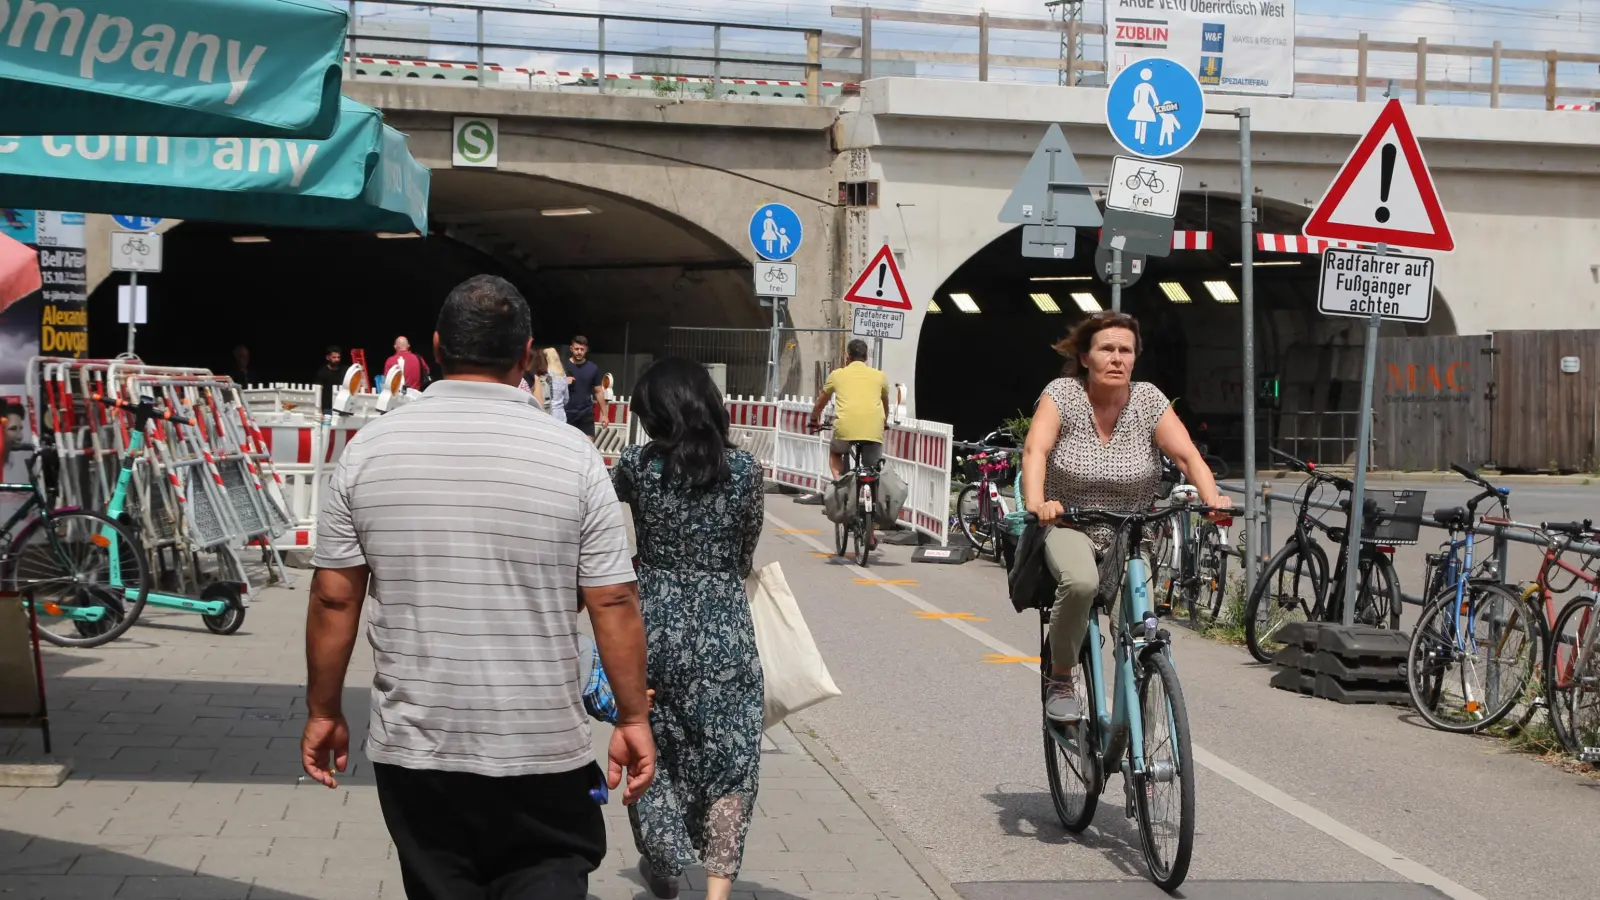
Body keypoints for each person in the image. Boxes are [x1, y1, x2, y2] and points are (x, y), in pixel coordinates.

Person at [300, 274, 656, 900]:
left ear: (436, 348)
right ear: (527, 355)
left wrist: (324, 711)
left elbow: (335, 597)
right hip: (543, 745)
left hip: (419, 747)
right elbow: (613, 600)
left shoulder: (369, 452)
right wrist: (632, 717)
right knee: (548, 875)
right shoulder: (573, 457)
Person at [1021, 312, 1227, 724]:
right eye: (1107, 349)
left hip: (1131, 532)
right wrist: (1038, 502)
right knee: (1080, 583)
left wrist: (1212, 497)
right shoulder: (1063, 394)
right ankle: (1061, 677)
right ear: (1084, 357)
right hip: (1070, 522)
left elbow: (1187, 456)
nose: (1117, 358)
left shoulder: (1148, 400)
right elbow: (1036, 451)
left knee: (1140, 630)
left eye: (1125, 350)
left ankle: (1142, 748)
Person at [611, 357, 764, 900]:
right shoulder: (744, 471)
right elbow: (746, 551)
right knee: (731, 757)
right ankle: (717, 893)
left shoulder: (636, 466)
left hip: (650, 625)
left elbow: (601, 523)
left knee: (651, 742)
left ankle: (667, 865)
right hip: (725, 625)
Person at [808, 339, 889, 479]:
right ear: (866, 357)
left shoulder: (837, 374)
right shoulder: (880, 376)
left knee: (836, 452)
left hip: (845, 428)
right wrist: (885, 422)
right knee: (872, 468)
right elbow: (885, 404)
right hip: (873, 429)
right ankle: (872, 494)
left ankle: (841, 484)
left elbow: (821, 402)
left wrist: (814, 419)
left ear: (847, 356)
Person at [563, 335, 605, 440]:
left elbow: (598, 391)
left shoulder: (593, 368)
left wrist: (605, 414)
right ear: (571, 349)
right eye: (576, 349)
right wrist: (563, 382)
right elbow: (551, 387)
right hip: (567, 413)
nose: (579, 352)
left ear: (586, 350)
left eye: (582, 349)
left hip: (586, 414)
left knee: (589, 447)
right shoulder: (563, 366)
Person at [314, 345, 343, 415]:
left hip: (340, 406)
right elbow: (318, 390)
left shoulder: (343, 371)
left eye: (338, 357)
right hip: (327, 407)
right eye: (334, 357)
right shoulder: (322, 372)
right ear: (328, 357)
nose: (337, 359)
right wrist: (320, 409)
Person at [541, 347, 569, 418]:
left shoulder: (544, 374)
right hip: (560, 414)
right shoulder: (562, 375)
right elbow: (566, 398)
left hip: (547, 412)